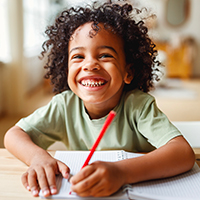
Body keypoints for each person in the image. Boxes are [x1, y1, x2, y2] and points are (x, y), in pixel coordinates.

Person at [4, 1, 195, 198]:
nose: (90, 64)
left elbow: (183, 153)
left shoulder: (138, 106)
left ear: (128, 72)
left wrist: (121, 172)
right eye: (78, 56)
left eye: (104, 55)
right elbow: (13, 135)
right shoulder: (64, 106)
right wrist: (37, 158)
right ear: (66, 69)